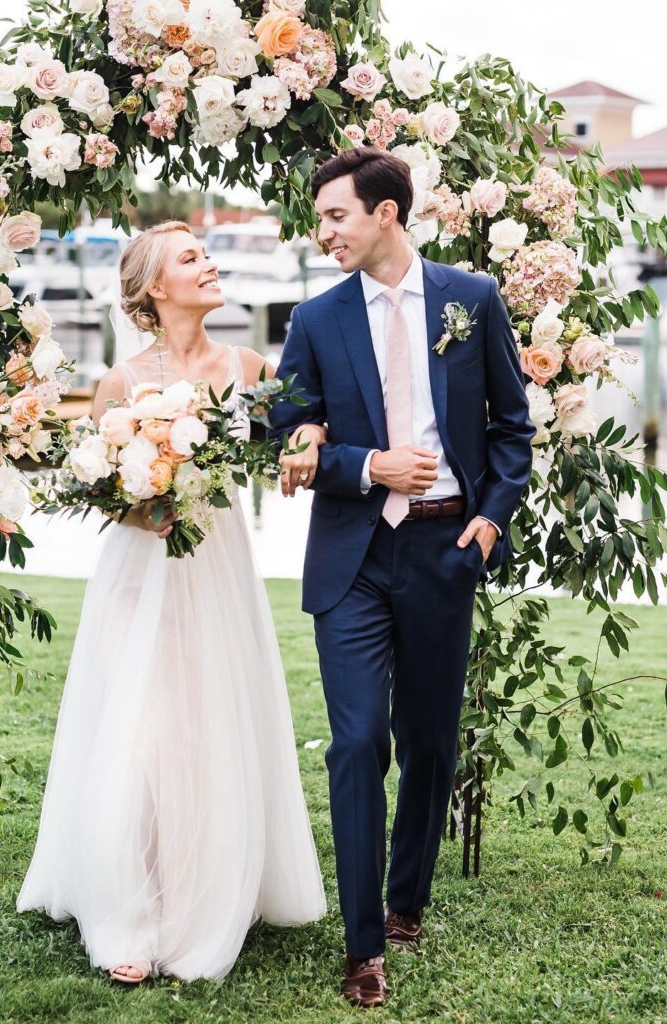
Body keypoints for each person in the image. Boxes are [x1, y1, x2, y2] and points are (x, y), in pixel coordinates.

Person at [17, 221, 327, 984]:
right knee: (141, 732)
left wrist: (309, 436)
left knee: (208, 722)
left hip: (215, 563)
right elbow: (92, 481)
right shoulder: (122, 385)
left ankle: (205, 895)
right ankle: (131, 907)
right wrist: (146, 501)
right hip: (139, 569)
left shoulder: (250, 366)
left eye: (206, 254)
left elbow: (305, 420)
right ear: (157, 287)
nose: (210, 264)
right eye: (192, 258)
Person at [272, 150, 535, 1008]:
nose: (324, 232)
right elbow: (290, 432)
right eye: (320, 219)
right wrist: (366, 465)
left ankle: (408, 898)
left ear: (386, 213)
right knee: (356, 744)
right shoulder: (314, 318)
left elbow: (511, 429)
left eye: (336, 216)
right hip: (350, 555)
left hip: (443, 549)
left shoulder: (472, 299)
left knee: (429, 740)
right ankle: (362, 947)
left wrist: (488, 523)